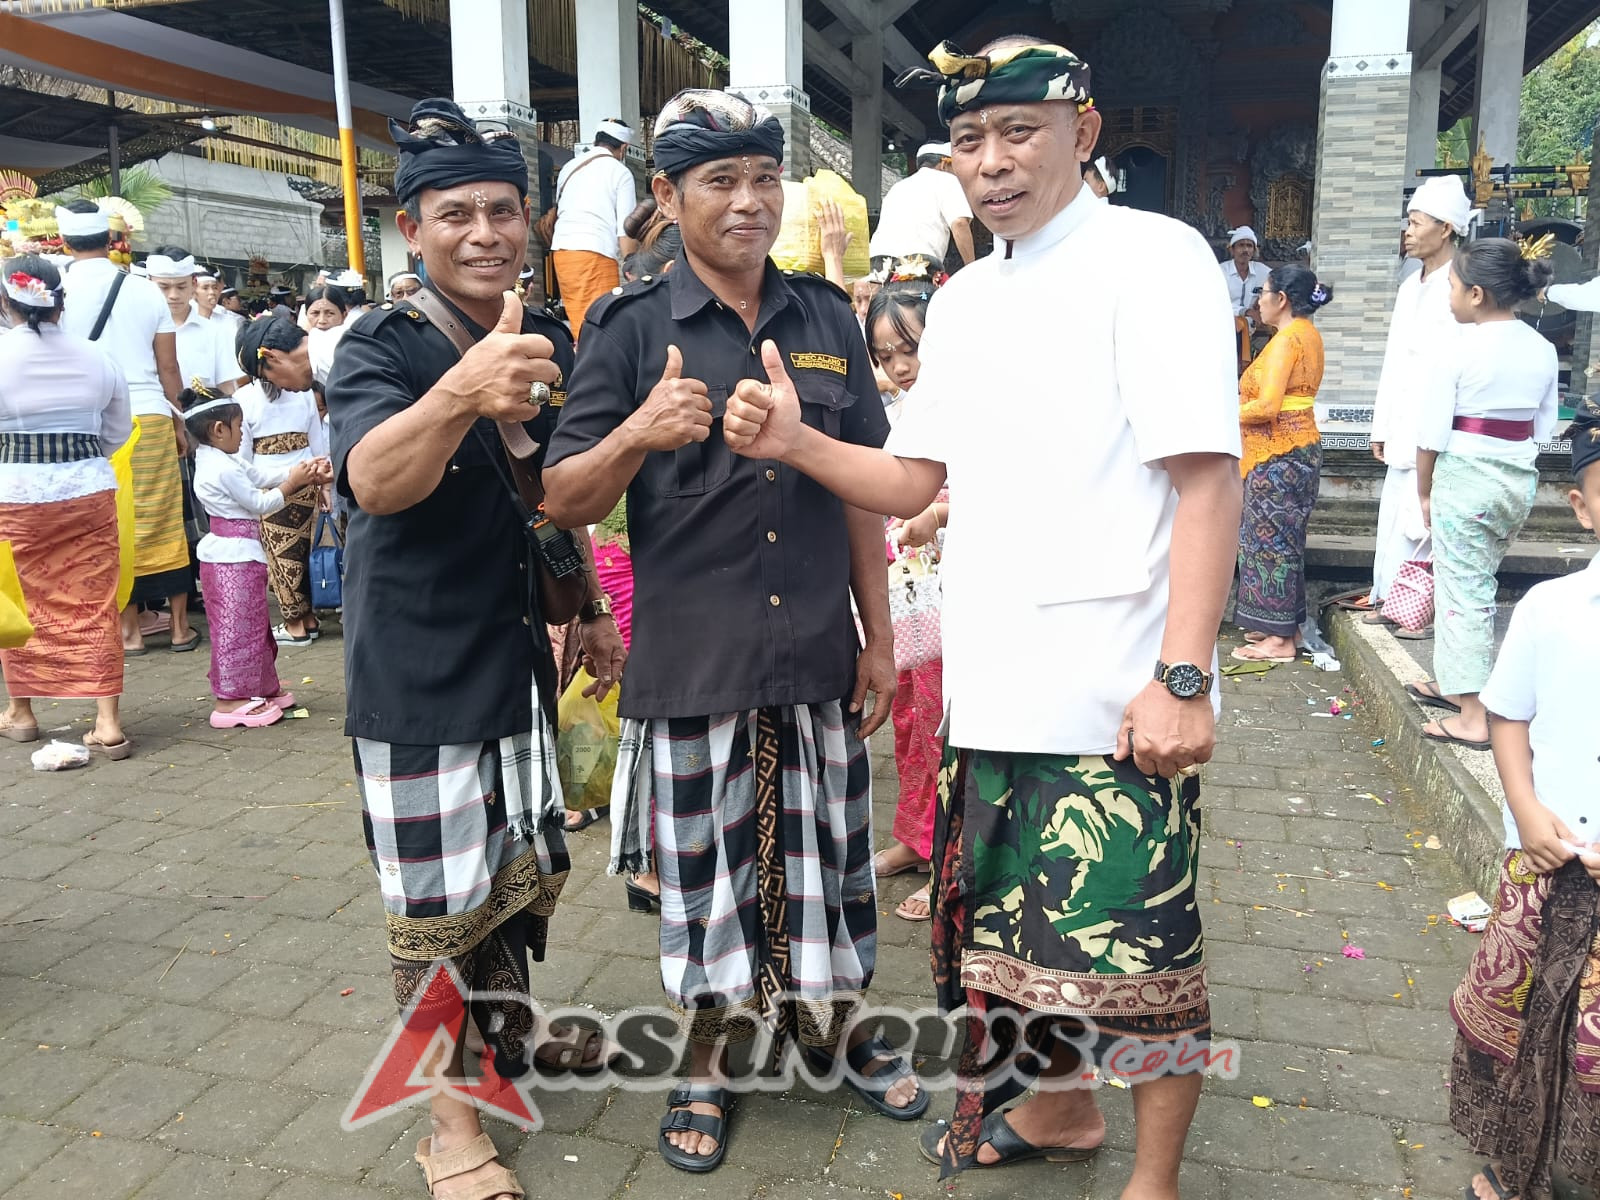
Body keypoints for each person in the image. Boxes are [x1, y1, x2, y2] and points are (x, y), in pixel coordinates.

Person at [724, 36, 1243, 1192]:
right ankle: (1060, 1116)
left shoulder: (1153, 260)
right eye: (969, 141)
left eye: (1020, 132)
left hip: (1115, 690)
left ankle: (1154, 1184)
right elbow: (917, 482)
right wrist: (797, 441)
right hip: (990, 680)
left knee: (1143, 953)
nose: (993, 162)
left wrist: (1186, 676)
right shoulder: (963, 301)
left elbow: (1206, 481)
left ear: (1084, 131)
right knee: (1007, 948)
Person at [542, 87, 924, 1175]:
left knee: (833, 863)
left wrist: (879, 636)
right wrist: (637, 432)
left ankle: (835, 1022)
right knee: (707, 876)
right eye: (720, 180)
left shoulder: (822, 318)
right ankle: (706, 1057)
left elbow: (863, 488)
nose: (749, 201)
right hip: (694, 658)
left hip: (813, 648)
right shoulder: (626, 326)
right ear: (666, 195)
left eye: (764, 178)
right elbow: (563, 496)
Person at [327, 97, 626, 1200]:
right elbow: (373, 483)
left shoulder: (536, 338)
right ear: (414, 230)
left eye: (503, 210)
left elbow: (543, 498)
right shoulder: (382, 344)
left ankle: (509, 1040)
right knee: (430, 908)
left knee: (508, 874)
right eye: (457, 214)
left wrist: (587, 602)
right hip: (416, 678)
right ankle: (448, 1126)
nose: (485, 232)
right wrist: (458, 391)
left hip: (513, 658)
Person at [1446, 395, 1600, 1200]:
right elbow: (1509, 715)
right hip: (1549, 859)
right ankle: (1520, 1169)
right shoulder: (1551, 609)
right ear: (1581, 507)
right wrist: (1526, 807)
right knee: (1534, 1024)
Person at [1407, 238, 1558, 751]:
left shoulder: (1454, 347)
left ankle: (1474, 714)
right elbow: (1545, 426)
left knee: (1464, 594)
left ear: (1475, 293)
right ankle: (1458, 686)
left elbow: (1430, 434)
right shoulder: (1542, 348)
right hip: (1516, 477)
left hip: (1464, 476)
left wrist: (1423, 490)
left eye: (1450, 286)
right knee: (1476, 585)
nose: (1447, 296)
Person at [0, 255, 134, 758]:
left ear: (5, 302)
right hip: (86, 489)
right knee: (92, 601)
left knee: (18, 598)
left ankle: (22, 711)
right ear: (62, 301)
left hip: (14, 492)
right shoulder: (96, 356)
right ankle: (108, 722)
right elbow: (117, 431)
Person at [56, 199, 192, 657]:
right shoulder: (144, 291)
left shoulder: (57, 291)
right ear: (112, 241)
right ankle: (177, 629)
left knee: (111, 525)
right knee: (163, 522)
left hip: (90, 422)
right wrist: (181, 419)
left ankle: (130, 631)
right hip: (149, 414)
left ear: (63, 240)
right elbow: (168, 367)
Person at [863, 280, 948, 923]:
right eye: (884, 355)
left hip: (959, 597)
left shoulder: (961, 403)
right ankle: (914, 839)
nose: (897, 368)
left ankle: (948, 860)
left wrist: (935, 514)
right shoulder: (897, 411)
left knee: (946, 732)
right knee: (910, 722)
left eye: (908, 351)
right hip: (911, 596)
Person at [1355, 175, 1477, 627]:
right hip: (1402, 418)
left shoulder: (1463, 286)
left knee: (1422, 517)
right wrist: (1381, 425)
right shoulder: (1411, 285)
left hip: (1437, 422)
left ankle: (1417, 607)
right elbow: (1395, 359)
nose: (1408, 231)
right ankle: (1388, 596)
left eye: (1416, 222)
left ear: (1445, 228)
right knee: (1394, 511)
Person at [185, 386, 325, 728]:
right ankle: (230, 699)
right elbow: (260, 502)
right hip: (231, 559)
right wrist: (293, 483)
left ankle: (259, 688)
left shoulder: (222, 459)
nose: (242, 434)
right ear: (219, 430)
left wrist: (300, 471)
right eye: (239, 427)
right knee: (238, 630)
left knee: (253, 625)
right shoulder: (221, 468)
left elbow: (259, 475)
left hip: (240, 556)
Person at [1230, 266, 1332, 664]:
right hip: (1293, 451)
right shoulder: (1306, 335)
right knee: (1282, 542)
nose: (1259, 300)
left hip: (1278, 456)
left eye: (1263, 292)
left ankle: (1279, 641)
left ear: (1282, 299)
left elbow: (1269, 406)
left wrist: (1227, 411)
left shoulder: (1288, 340)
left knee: (1270, 544)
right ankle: (1281, 625)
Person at [234, 317, 330, 647]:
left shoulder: (252, 397)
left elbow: (242, 456)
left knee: (286, 556)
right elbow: (316, 441)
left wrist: (319, 481)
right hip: (292, 482)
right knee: (295, 553)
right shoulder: (297, 389)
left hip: (279, 486)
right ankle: (306, 618)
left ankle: (297, 624)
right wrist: (319, 479)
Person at [550, 119, 639, 337]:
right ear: (624, 147)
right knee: (601, 324)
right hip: (594, 252)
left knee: (580, 319)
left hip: (562, 252)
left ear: (596, 140)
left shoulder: (569, 167)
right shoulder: (619, 172)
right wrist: (632, 265)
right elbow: (626, 227)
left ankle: (585, 362)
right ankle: (595, 367)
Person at [869, 141, 975, 272]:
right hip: (916, 264)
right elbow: (959, 223)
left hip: (878, 263)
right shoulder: (947, 180)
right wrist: (972, 268)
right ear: (944, 164)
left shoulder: (897, 187)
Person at [148, 247, 239, 396]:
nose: (173, 295)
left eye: (181, 287)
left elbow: (227, 387)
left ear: (193, 284)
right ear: (148, 283)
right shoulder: (140, 333)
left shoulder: (215, 332)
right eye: (163, 287)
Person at [1220, 226, 1272, 322]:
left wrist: (1263, 298)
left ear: (1254, 251)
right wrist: (1246, 311)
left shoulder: (1262, 271)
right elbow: (1216, 303)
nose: (1245, 250)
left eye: (1249, 246)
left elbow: (1281, 284)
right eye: (1241, 245)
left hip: (1252, 329)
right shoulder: (1221, 271)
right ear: (1232, 249)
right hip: (1224, 326)